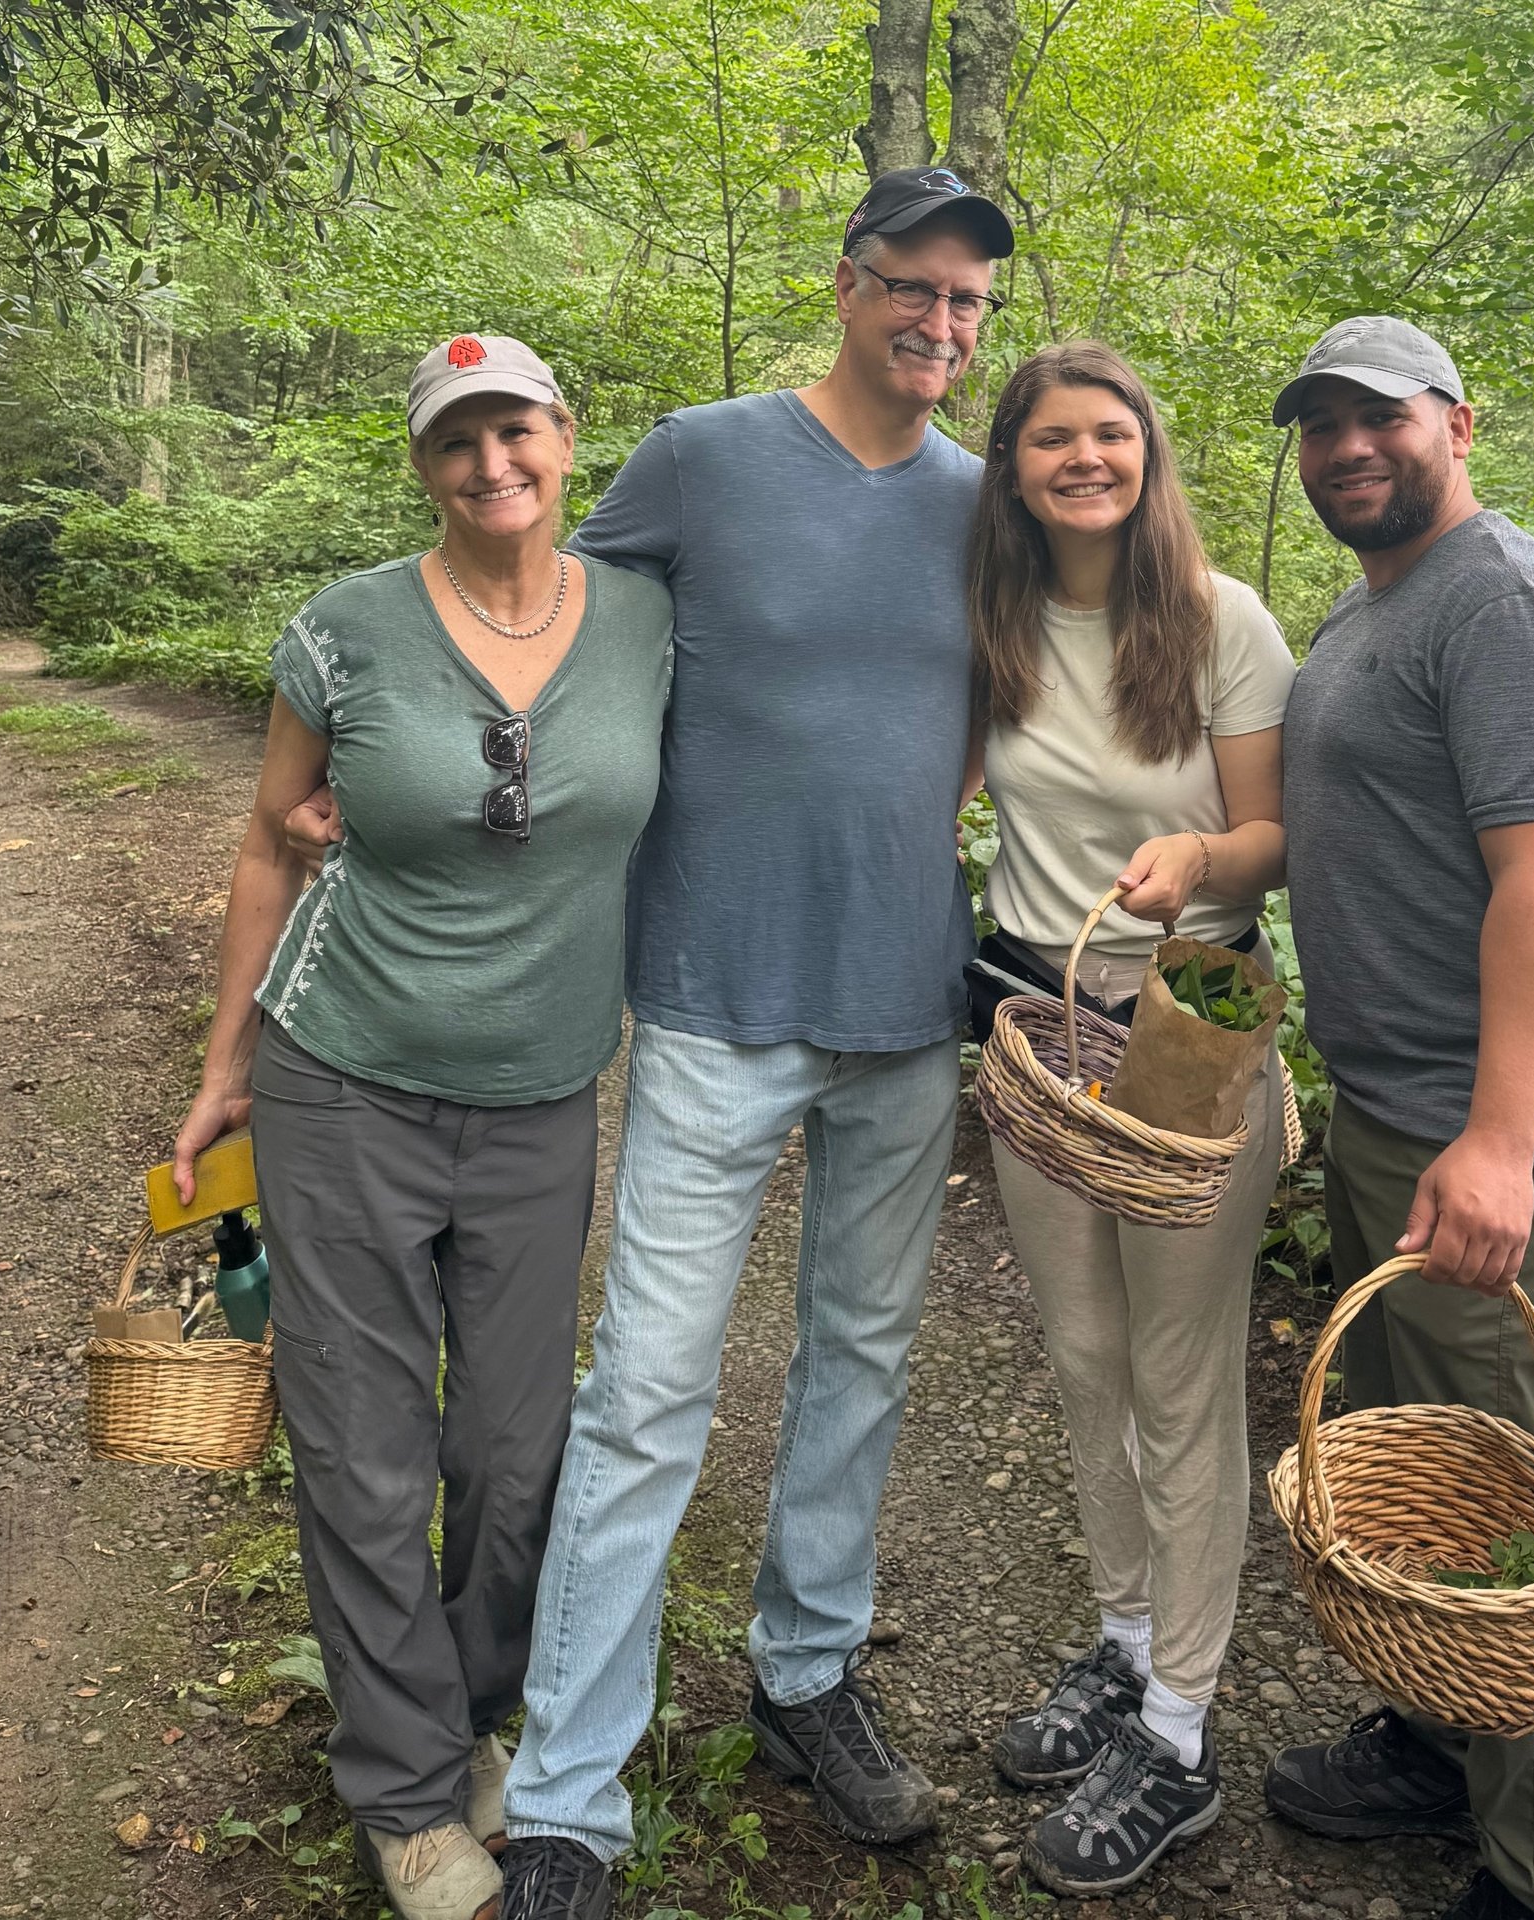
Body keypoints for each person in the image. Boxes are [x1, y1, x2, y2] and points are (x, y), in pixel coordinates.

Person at [488, 170, 1016, 1920]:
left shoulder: (983, 504)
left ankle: (805, 1678)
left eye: (969, 306)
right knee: (647, 1391)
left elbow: (1022, 709)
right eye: (915, 290)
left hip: (904, 1005)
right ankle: (567, 1789)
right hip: (713, 992)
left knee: (858, 1365)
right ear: (850, 283)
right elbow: (551, 628)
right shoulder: (705, 458)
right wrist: (404, 749)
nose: (939, 327)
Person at [172, 334, 673, 1920]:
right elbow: (272, 836)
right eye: (455, 444)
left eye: (512, 431)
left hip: (540, 1096)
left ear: (565, 441)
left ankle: (471, 1714)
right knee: (367, 1451)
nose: (489, 466)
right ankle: (404, 1787)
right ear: (425, 469)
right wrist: (223, 1063)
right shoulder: (345, 632)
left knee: (516, 1455)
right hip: (343, 1082)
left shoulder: (652, 624)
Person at [1263, 317, 1534, 1920]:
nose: (1348, 446)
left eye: (1380, 416)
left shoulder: (1507, 598)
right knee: (1415, 1466)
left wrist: (1500, 1141)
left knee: (1516, 1518)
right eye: (1319, 426)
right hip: (1398, 1114)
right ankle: (1445, 1746)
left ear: (1457, 421)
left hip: (1511, 1141)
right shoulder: (1374, 612)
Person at [962, 343, 1297, 1897]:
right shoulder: (997, 624)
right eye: (1051, 439)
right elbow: (918, 781)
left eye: (1110, 434)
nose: (1083, 459)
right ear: (1014, 466)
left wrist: (1200, 865)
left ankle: (1177, 1728)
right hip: (1038, 1035)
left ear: (1150, 454)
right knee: (1083, 1359)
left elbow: (1275, 838)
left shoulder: (1220, 622)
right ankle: (1115, 1640)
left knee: (1179, 1379)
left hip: (1186, 1039)